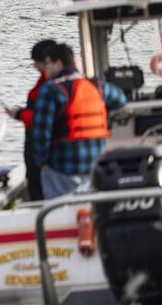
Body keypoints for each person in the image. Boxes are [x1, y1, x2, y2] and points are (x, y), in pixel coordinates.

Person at [31, 42, 126, 199]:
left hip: (63, 171)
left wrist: (42, 163)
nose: (44, 68)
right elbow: (120, 99)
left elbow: (41, 135)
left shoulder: (50, 90)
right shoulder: (96, 86)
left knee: (58, 215)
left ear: (58, 63)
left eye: (47, 63)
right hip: (95, 167)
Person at [9, 39, 56, 201]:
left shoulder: (50, 86)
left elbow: (42, 120)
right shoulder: (53, 82)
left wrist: (19, 115)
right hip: (41, 150)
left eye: (37, 62)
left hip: (42, 152)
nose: (36, 66)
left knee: (40, 188)